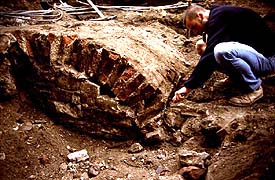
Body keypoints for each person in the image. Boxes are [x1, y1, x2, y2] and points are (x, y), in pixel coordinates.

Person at [172, 4, 275, 106]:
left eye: (194, 27)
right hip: (255, 54)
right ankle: (237, 77)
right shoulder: (216, 13)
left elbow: (209, 56)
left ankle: (255, 88)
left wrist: (188, 87)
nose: (195, 32)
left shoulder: (219, 19)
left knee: (221, 51)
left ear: (200, 16)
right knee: (202, 45)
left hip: (268, 60)